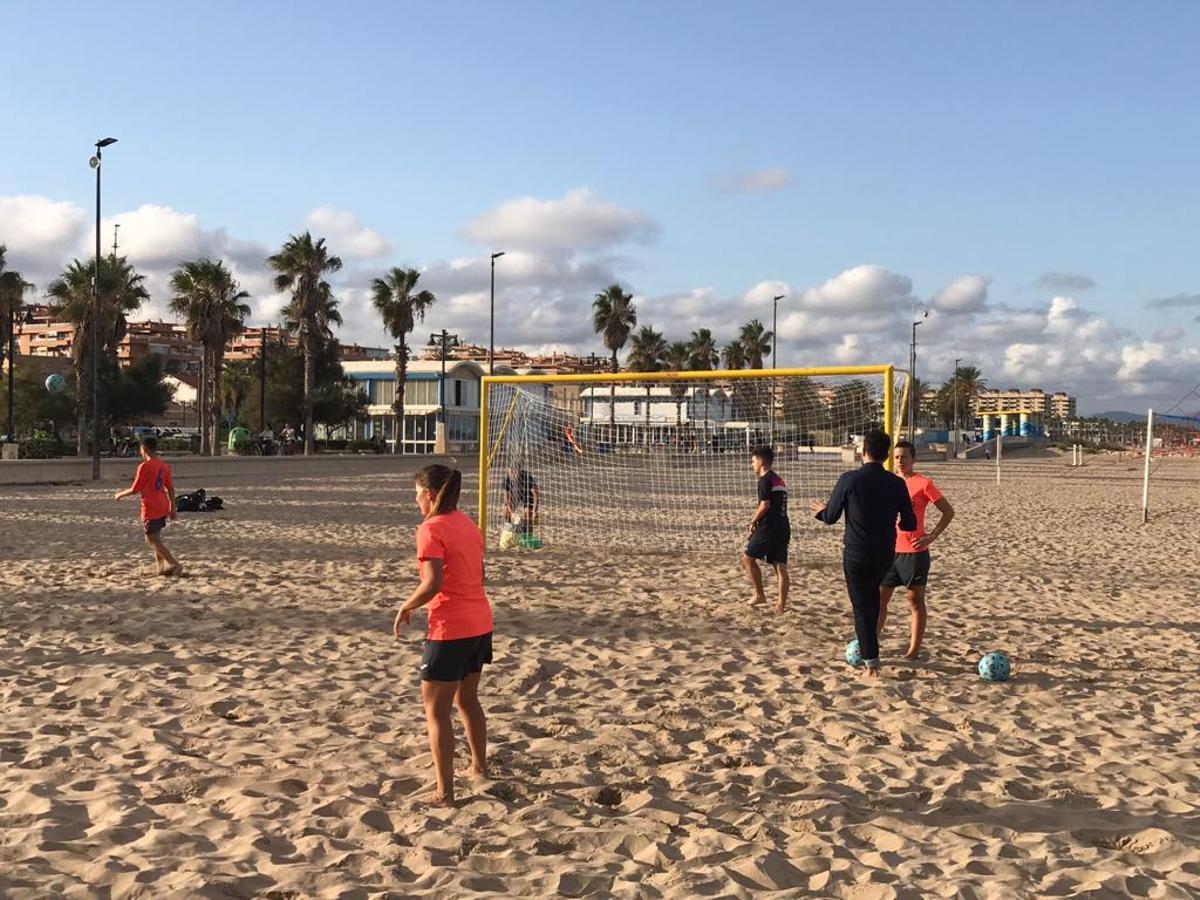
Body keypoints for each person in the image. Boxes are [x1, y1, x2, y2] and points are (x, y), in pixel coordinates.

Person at [393, 464, 493, 807]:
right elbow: (480, 574)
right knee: (468, 700)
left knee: (435, 711)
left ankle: (445, 794)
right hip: (480, 624)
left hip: (450, 629)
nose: (415, 501)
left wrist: (406, 605)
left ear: (430, 495)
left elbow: (432, 582)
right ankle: (479, 767)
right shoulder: (468, 524)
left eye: (417, 494)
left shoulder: (430, 529)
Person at [811, 429, 916, 679]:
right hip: (885, 554)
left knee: (863, 606)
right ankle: (870, 652)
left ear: (863, 452)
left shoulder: (849, 479)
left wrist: (820, 511)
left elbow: (830, 517)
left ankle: (871, 663)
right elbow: (909, 524)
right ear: (887, 455)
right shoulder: (897, 483)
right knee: (872, 602)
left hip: (857, 553)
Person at [879, 440, 955, 659]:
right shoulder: (888, 482)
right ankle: (871, 642)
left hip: (914, 553)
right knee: (880, 601)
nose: (900, 461)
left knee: (914, 601)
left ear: (913, 459)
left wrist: (931, 536)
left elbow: (948, 512)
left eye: (904, 457)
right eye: (896, 457)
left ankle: (912, 651)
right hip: (889, 551)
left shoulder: (923, 483)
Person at [113, 436, 181, 577]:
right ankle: (160, 567)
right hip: (163, 505)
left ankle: (174, 564)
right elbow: (170, 488)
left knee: (151, 539)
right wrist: (172, 507)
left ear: (143, 449)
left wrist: (120, 494)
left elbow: (135, 489)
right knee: (156, 537)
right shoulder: (163, 466)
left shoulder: (144, 466)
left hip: (151, 507)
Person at [743, 446, 790, 614]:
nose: (752, 465)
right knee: (780, 566)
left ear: (761, 461)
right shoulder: (779, 479)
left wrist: (753, 521)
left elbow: (765, 505)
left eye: (753, 461)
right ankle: (780, 606)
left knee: (748, 558)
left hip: (769, 527)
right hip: (783, 526)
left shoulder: (764, 480)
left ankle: (759, 595)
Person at [502, 464, 540, 534]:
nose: (511, 474)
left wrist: (535, 511)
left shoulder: (527, 477)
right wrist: (512, 513)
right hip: (515, 495)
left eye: (513, 471)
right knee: (506, 510)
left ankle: (528, 534)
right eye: (510, 471)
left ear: (519, 471)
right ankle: (509, 529)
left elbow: (536, 494)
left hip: (527, 494)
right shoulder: (506, 480)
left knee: (528, 515)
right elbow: (506, 500)